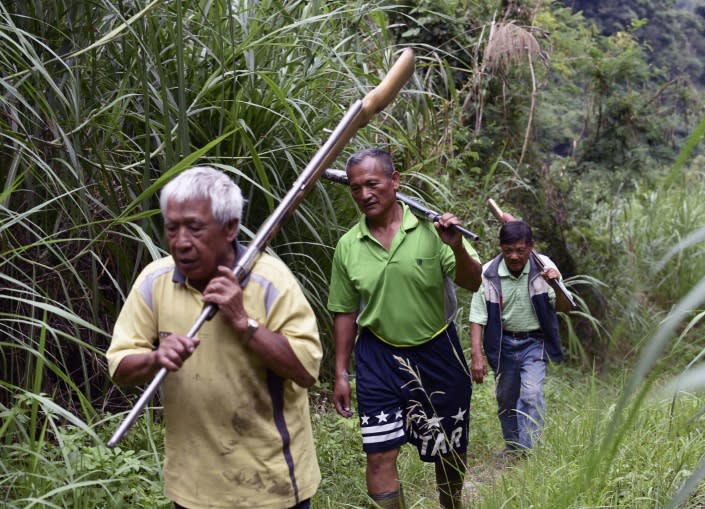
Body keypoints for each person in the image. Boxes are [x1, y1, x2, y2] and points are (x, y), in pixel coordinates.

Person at [106, 166, 323, 509]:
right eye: (172, 228)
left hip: (271, 487)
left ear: (230, 228)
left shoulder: (271, 281)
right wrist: (154, 358)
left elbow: (305, 370)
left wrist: (243, 322)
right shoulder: (155, 282)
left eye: (194, 228)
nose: (180, 242)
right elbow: (120, 366)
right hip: (193, 490)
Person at [327, 148, 482, 509]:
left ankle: (451, 503)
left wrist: (457, 248)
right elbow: (344, 311)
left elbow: (473, 282)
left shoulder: (431, 231)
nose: (364, 195)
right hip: (378, 356)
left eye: (372, 184)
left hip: (438, 350)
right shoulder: (348, 246)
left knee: (449, 447)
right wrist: (340, 373)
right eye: (355, 188)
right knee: (379, 454)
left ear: (394, 181)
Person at [469, 219, 573, 456]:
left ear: (531, 246)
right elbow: (477, 316)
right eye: (508, 251)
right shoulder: (488, 273)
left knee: (531, 393)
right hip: (503, 345)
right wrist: (477, 355)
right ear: (500, 248)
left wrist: (555, 284)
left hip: (535, 343)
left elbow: (565, 307)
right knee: (506, 399)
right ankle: (514, 447)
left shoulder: (544, 268)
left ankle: (528, 452)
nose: (514, 256)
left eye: (520, 250)